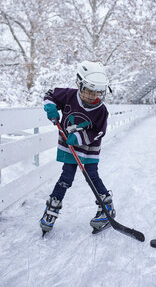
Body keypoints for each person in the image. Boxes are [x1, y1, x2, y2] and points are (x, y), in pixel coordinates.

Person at [40, 61, 116, 233]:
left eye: (97, 92)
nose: (92, 95)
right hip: (69, 148)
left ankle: (107, 207)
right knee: (66, 177)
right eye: (89, 90)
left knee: (92, 176)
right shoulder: (68, 95)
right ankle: (52, 209)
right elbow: (50, 94)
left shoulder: (102, 110)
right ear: (79, 84)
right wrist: (50, 106)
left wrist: (79, 137)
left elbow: (99, 132)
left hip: (89, 149)